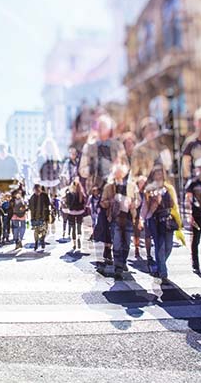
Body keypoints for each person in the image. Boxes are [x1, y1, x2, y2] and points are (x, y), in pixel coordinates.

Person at [79, 114, 129, 265]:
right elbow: (82, 170)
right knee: (100, 224)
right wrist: (88, 169)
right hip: (97, 191)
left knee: (116, 222)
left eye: (104, 126)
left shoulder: (117, 145)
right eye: (99, 127)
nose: (102, 130)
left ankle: (114, 252)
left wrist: (120, 170)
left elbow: (125, 165)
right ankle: (102, 253)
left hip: (115, 189)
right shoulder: (89, 147)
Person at [141, 165, 181, 282]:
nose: (158, 175)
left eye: (160, 173)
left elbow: (175, 204)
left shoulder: (169, 188)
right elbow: (145, 206)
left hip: (168, 219)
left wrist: (178, 218)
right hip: (155, 220)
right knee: (160, 245)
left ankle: (159, 265)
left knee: (168, 246)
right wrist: (142, 219)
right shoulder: (149, 189)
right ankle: (163, 273)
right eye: (156, 173)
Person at [100, 164, 139, 280]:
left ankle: (122, 262)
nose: (119, 176)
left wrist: (133, 204)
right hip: (115, 219)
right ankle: (118, 268)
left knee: (126, 244)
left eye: (121, 173)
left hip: (127, 218)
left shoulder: (131, 186)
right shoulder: (109, 187)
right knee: (117, 244)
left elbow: (138, 200)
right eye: (117, 174)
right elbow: (102, 202)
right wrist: (111, 202)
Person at [65, 177, 86, 251]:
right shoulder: (81, 194)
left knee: (73, 228)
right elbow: (84, 203)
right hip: (80, 212)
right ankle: (79, 238)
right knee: (79, 227)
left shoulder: (69, 194)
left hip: (72, 212)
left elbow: (67, 203)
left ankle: (74, 244)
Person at [28, 184, 51, 251]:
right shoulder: (32, 197)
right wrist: (32, 218)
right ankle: (36, 243)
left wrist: (49, 215)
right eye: (35, 190)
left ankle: (42, 239)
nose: (37, 191)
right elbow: (30, 208)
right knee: (36, 231)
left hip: (44, 216)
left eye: (38, 189)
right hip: (35, 217)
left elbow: (48, 205)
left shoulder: (45, 196)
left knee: (44, 230)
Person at [133, 176, 146, 258]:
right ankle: (136, 248)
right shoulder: (135, 192)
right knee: (136, 233)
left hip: (146, 216)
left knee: (147, 234)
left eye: (144, 183)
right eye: (141, 183)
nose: (142, 184)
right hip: (137, 215)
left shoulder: (147, 192)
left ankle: (148, 253)